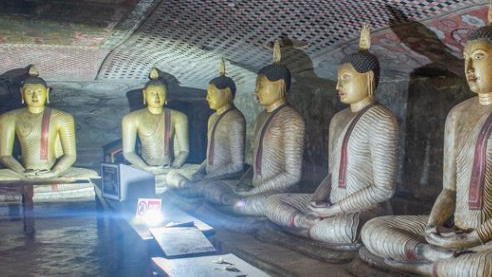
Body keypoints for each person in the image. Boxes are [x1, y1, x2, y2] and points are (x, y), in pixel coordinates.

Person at [359, 0, 492, 277]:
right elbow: (449, 189)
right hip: (454, 230)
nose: (469, 69)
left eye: (478, 57)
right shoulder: (458, 113)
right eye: (465, 59)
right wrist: (431, 228)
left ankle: (422, 266)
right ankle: (431, 257)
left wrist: (475, 237)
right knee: (373, 228)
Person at [264, 26, 398, 244]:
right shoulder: (338, 119)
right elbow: (332, 174)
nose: (338, 85)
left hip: (363, 210)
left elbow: (384, 189)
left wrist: (337, 209)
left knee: (345, 228)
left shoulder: (382, 119)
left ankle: (301, 227)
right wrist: (317, 201)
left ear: (369, 78)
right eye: (338, 78)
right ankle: (309, 226)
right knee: (271, 203)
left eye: (345, 78)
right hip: (331, 203)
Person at [205, 41, 304, 213]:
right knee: (220, 195)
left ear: (280, 85)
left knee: (237, 205)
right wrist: (245, 183)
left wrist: (254, 191)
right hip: (255, 188)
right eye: (256, 85)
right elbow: (255, 163)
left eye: (260, 85)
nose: (255, 91)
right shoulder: (261, 117)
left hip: (276, 192)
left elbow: (293, 175)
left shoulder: (291, 119)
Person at [0, 67, 97, 182]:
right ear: (22, 93)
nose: (35, 96)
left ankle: (42, 182)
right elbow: (5, 156)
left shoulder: (63, 118)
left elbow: (70, 155)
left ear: (47, 93)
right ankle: (42, 183)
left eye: (39, 91)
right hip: (23, 172)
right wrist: (22, 171)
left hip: (54, 171)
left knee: (91, 175)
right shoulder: (8, 118)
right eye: (29, 92)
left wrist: (54, 172)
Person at [166, 60, 245, 194]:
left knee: (208, 190)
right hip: (208, 175)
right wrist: (199, 173)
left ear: (226, 92)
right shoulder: (212, 117)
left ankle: (194, 188)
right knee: (171, 176)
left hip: (224, 178)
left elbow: (237, 165)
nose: (207, 98)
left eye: (212, 93)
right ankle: (194, 187)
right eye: (208, 93)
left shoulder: (235, 119)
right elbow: (210, 156)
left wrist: (207, 178)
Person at [120, 68, 196, 193]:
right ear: (144, 95)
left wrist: (175, 165)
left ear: (166, 95)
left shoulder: (179, 117)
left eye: (160, 93)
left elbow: (183, 150)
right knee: (129, 180)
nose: (156, 97)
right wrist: (146, 168)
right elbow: (128, 152)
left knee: (192, 178)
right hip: (144, 168)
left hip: (170, 168)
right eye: (152, 93)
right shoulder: (131, 119)